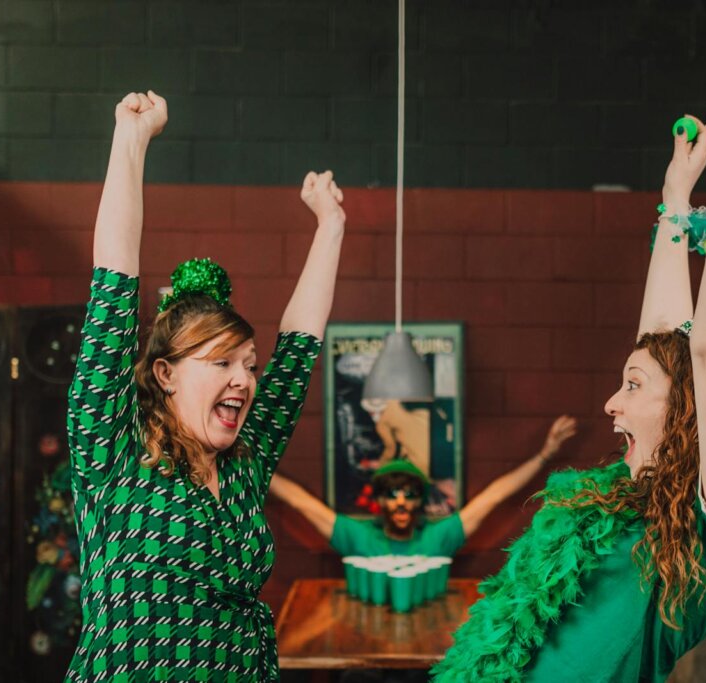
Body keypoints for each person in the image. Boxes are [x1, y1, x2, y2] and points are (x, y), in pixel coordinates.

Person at [432, 15, 706, 683]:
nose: (611, 401)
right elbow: (665, 340)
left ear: (690, 414)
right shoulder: (634, 500)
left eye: (633, 387)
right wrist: (675, 202)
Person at [66, 90, 345, 681]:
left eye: (248, 364)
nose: (244, 379)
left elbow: (297, 347)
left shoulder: (245, 464)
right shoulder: (114, 450)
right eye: (221, 363)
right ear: (165, 373)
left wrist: (331, 224)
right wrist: (132, 141)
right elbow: (113, 280)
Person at [269, 416, 578, 558]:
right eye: (392, 494)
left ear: (420, 501)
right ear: (380, 501)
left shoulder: (436, 539)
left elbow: (493, 497)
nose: (401, 502)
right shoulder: (361, 539)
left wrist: (543, 456)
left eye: (410, 493)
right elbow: (301, 501)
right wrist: (251, 467)